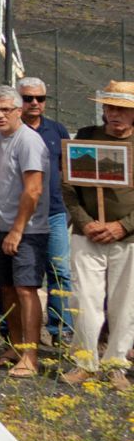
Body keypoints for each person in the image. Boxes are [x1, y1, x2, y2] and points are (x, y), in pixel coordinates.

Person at [61, 81, 134, 389]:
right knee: (84, 298)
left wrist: (124, 226)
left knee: (125, 303)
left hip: (127, 239)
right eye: (109, 107)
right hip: (87, 233)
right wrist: (86, 222)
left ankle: (116, 365)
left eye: (121, 109)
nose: (113, 114)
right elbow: (69, 186)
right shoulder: (87, 137)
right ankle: (84, 363)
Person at [0, 85, 50, 378]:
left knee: (26, 289)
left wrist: (17, 231)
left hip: (28, 230)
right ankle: (15, 345)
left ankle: (31, 356)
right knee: (7, 288)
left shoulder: (29, 142)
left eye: (5, 110)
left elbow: (33, 190)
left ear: (19, 111)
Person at [17, 76, 74, 345]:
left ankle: (60, 329)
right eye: (28, 98)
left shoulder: (57, 130)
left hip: (53, 212)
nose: (35, 103)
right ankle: (15, 331)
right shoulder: (10, 131)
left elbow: (67, 172)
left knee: (60, 271)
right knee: (22, 274)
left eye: (40, 98)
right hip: (20, 215)